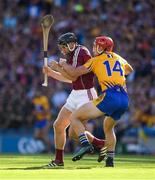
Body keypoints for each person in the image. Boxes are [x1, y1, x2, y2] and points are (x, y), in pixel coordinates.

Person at [57, 35, 133, 167]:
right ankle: (110, 161)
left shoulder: (95, 60)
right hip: (124, 98)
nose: (93, 48)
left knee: (75, 117)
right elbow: (129, 70)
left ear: (101, 48)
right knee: (108, 128)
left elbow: (74, 73)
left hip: (110, 95)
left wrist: (63, 64)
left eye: (95, 46)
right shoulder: (118, 57)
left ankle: (86, 145)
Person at [43, 32, 106, 168]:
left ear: (71, 44)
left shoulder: (81, 51)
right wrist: (52, 73)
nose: (62, 50)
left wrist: (59, 67)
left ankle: (95, 144)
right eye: (61, 48)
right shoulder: (71, 56)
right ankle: (59, 160)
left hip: (86, 94)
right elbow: (69, 79)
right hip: (75, 94)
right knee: (59, 126)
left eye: (63, 47)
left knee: (74, 132)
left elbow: (73, 76)